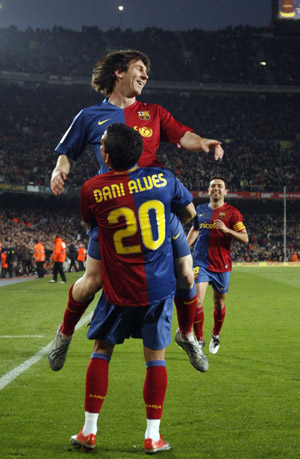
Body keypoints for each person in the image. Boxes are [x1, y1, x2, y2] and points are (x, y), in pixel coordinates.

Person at [48, 49, 223, 373]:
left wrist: (203, 142)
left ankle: (186, 335)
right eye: (139, 69)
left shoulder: (153, 112)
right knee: (92, 282)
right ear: (119, 72)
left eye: (146, 71)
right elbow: (66, 153)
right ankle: (64, 333)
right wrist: (59, 171)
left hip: (156, 207)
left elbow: (181, 135)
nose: (145, 75)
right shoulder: (89, 116)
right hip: (114, 206)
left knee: (186, 274)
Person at [70, 123, 196, 453]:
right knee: (155, 358)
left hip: (118, 287)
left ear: (106, 156)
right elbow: (188, 213)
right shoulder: (165, 179)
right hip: (158, 288)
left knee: (102, 351)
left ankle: (89, 431)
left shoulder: (91, 188)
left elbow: (91, 228)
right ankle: (152, 436)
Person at [186, 177, 249, 355]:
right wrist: (184, 248)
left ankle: (216, 334)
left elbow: (245, 238)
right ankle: (199, 340)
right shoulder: (200, 210)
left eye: (220, 186)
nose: (216, 189)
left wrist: (228, 231)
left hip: (222, 265)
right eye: (213, 186)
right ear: (208, 190)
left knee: (219, 303)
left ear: (225, 191)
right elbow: (196, 229)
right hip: (200, 262)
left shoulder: (232, 213)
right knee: (196, 301)